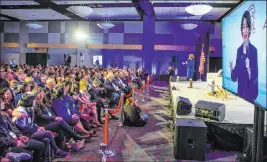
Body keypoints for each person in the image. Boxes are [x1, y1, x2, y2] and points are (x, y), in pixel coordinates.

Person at [229, 11, 258, 103]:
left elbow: (255, 78)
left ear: (250, 29)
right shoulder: (239, 50)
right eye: (243, 27)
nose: (245, 30)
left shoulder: (254, 50)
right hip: (240, 94)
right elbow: (235, 77)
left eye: (247, 26)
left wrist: (249, 69)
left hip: (250, 96)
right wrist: (231, 68)